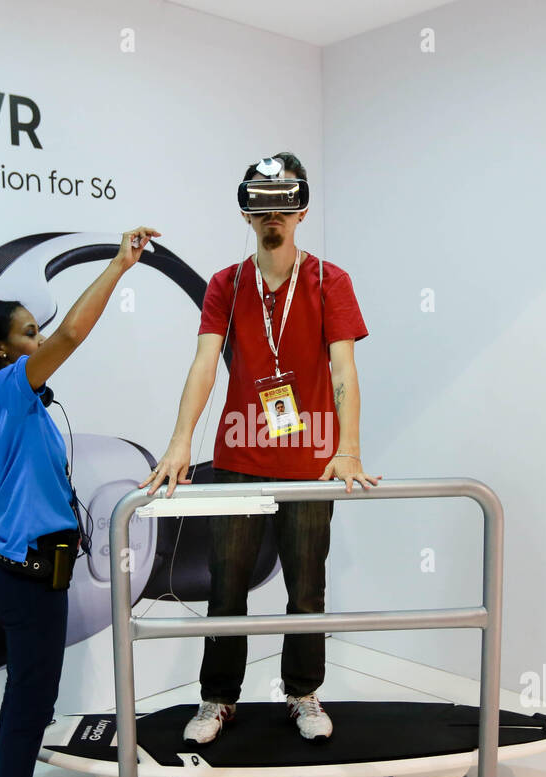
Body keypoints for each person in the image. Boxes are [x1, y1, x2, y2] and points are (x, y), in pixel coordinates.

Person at [140, 152, 379, 745]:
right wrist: (177, 443)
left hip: (311, 459)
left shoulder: (329, 280)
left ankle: (302, 693)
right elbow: (204, 364)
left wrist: (348, 447)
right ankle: (218, 699)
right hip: (240, 458)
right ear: (247, 212)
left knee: (306, 584)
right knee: (228, 584)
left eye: (283, 201)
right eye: (261, 202)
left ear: (300, 209)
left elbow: (344, 366)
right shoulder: (227, 282)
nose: (273, 213)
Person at [0, 226, 159, 777]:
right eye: (27, 334)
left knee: (34, 695)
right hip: (26, 570)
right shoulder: (5, 389)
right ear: (0, 349)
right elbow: (73, 333)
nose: (39, 342)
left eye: (36, 336)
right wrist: (120, 266)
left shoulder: (14, 403)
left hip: (30, 567)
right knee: (27, 703)